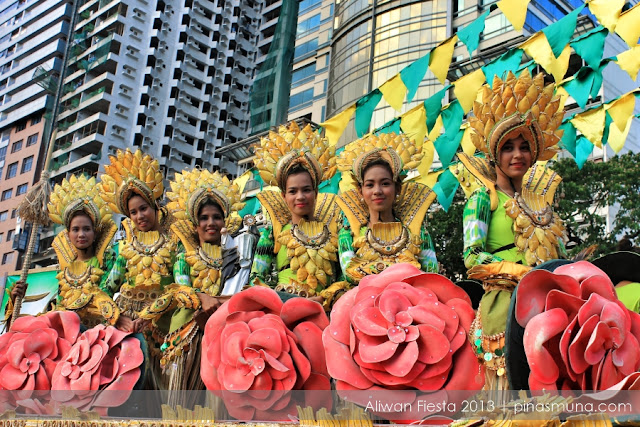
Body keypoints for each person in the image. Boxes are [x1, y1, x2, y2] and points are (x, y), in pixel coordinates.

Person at [457, 69, 567, 388]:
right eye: (508, 147)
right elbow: (472, 257)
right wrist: (518, 274)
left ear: (534, 153)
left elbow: (557, 254)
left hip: (549, 300)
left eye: (523, 146)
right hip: (504, 307)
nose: (517, 154)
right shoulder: (482, 198)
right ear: (494, 153)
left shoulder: (541, 202)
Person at [138, 169, 248, 398]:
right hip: (190, 336)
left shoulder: (238, 253)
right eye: (204, 218)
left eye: (216, 217)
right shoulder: (184, 256)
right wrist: (203, 297)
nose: (211, 223)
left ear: (225, 220)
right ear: (194, 223)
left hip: (228, 333)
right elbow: (180, 287)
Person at [250, 121, 347, 310]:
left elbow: (346, 277)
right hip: (280, 309)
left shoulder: (336, 231)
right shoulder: (273, 232)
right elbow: (256, 279)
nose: (300, 197)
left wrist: (327, 296)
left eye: (306, 190)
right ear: (284, 196)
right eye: (293, 191)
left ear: (316, 193)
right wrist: (285, 300)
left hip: (323, 310)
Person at [6, 175, 119, 327]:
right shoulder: (64, 271)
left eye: (87, 229)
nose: (81, 234)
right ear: (68, 234)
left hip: (96, 333)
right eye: (75, 229)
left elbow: (106, 299)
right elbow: (59, 307)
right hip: (63, 330)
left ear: (95, 233)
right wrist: (16, 299)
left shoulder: (107, 262)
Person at [335, 133, 438, 284]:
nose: (377, 191)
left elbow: (431, 273)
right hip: (360, 300)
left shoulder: (416, 230)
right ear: (360, 191)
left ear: (397, 188)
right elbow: (349, 272)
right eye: (370, 185)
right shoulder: (349, 230)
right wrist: (406, 270)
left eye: (385, 183)